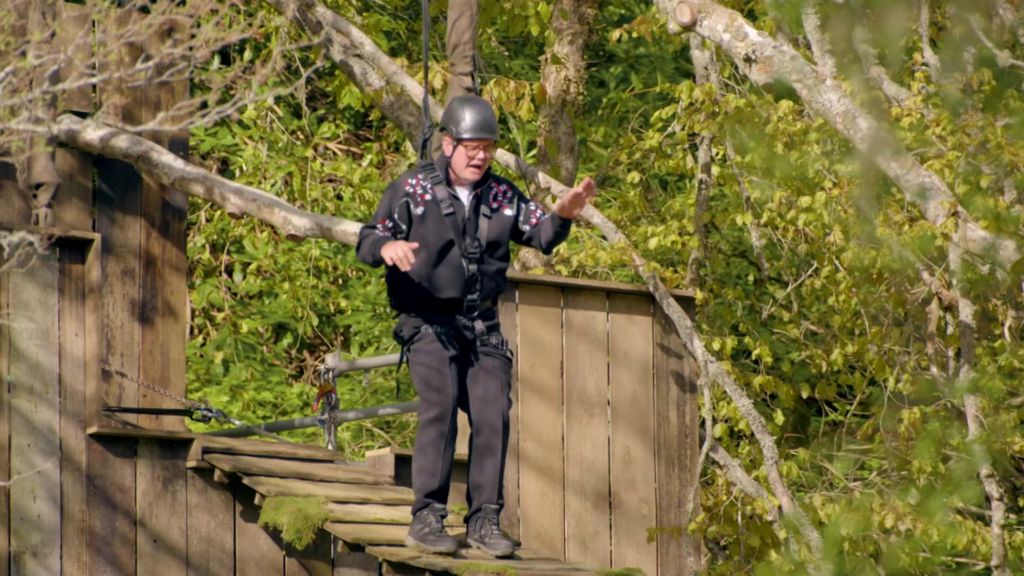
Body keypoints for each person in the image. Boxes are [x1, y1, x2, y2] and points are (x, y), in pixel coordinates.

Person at [356, 95, 596, 557]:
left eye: (487, 147)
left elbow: (541, 234)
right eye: (471, 147)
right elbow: (370, 237)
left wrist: (563, 214)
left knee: (493, 414)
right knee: (441, 406)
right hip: (426, 321)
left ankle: (485, 520)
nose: (480, 156)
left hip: (480, 324)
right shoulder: (413, 190)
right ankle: (427, 517)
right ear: (448, 144)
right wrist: (387, 249)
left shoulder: (502, 195)